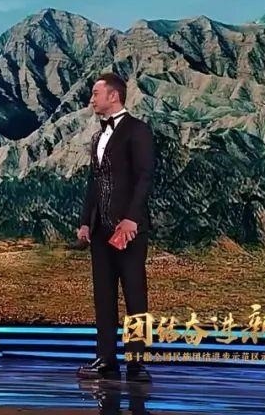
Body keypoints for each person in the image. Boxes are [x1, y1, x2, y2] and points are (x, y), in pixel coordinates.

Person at [75, 73, 155, 382]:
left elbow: (145, 176)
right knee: (103, 297)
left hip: (129, 229)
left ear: (113, 96)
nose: (91, 99)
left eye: (95, 94)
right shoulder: (98, 136)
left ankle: (136, 361)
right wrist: (86, 221)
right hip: (100, 230)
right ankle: (106, 359)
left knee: (135, 296)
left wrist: (132, 218)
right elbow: (93, 183)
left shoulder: (137, 130)